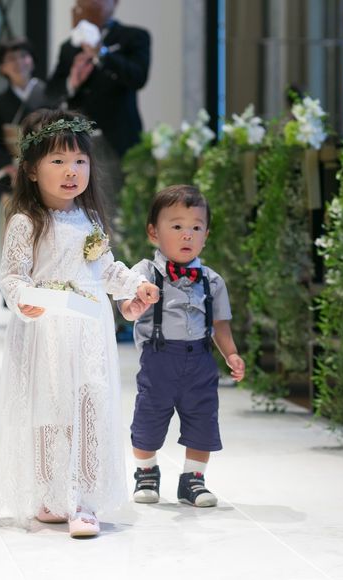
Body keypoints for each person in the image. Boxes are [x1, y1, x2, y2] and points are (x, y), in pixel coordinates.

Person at [0, 109, 160, 538]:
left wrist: (134, 288)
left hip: (88, 331)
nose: (72, 171)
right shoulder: (26, 222)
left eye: (80, 161)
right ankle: (52, 495)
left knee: (89, 407)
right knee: (49, 411)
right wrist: (22, 300)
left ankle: (83, 500)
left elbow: (105, 269)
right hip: (45, 330)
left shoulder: (90, 220)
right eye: (58, 161)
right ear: (32, 169)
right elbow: (12, 276)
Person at [118, 185, 246, 508]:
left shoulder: (212, 281)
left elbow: (220, 325)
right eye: (176, 226)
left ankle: (193, 479)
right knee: (148, 418)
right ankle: (146, 473)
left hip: (200, 361)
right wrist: (134, 305)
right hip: (160, 360)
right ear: (153, 232)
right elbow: (126, 306)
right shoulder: (144, 274)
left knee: (203, 419)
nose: (187, 235)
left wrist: (231, 353)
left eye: (196, 228)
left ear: (206, 235)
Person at [46, 0, 151, 198]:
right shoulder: (71, 46)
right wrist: (72, 82)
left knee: (113, 205)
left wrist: (101, 53)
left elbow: (138, 77)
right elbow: (51, 92)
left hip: (116, 138)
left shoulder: (133, 36)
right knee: (77, 202)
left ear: (115, 3)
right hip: (78, 138)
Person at [0, 38, 48, 202]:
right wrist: (7, 165)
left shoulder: (49, 95)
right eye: (11, 58)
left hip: (47, 168)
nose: (19, 62)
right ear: (2, 67)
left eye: (24, 56)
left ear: (32, 60)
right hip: (13, 173)